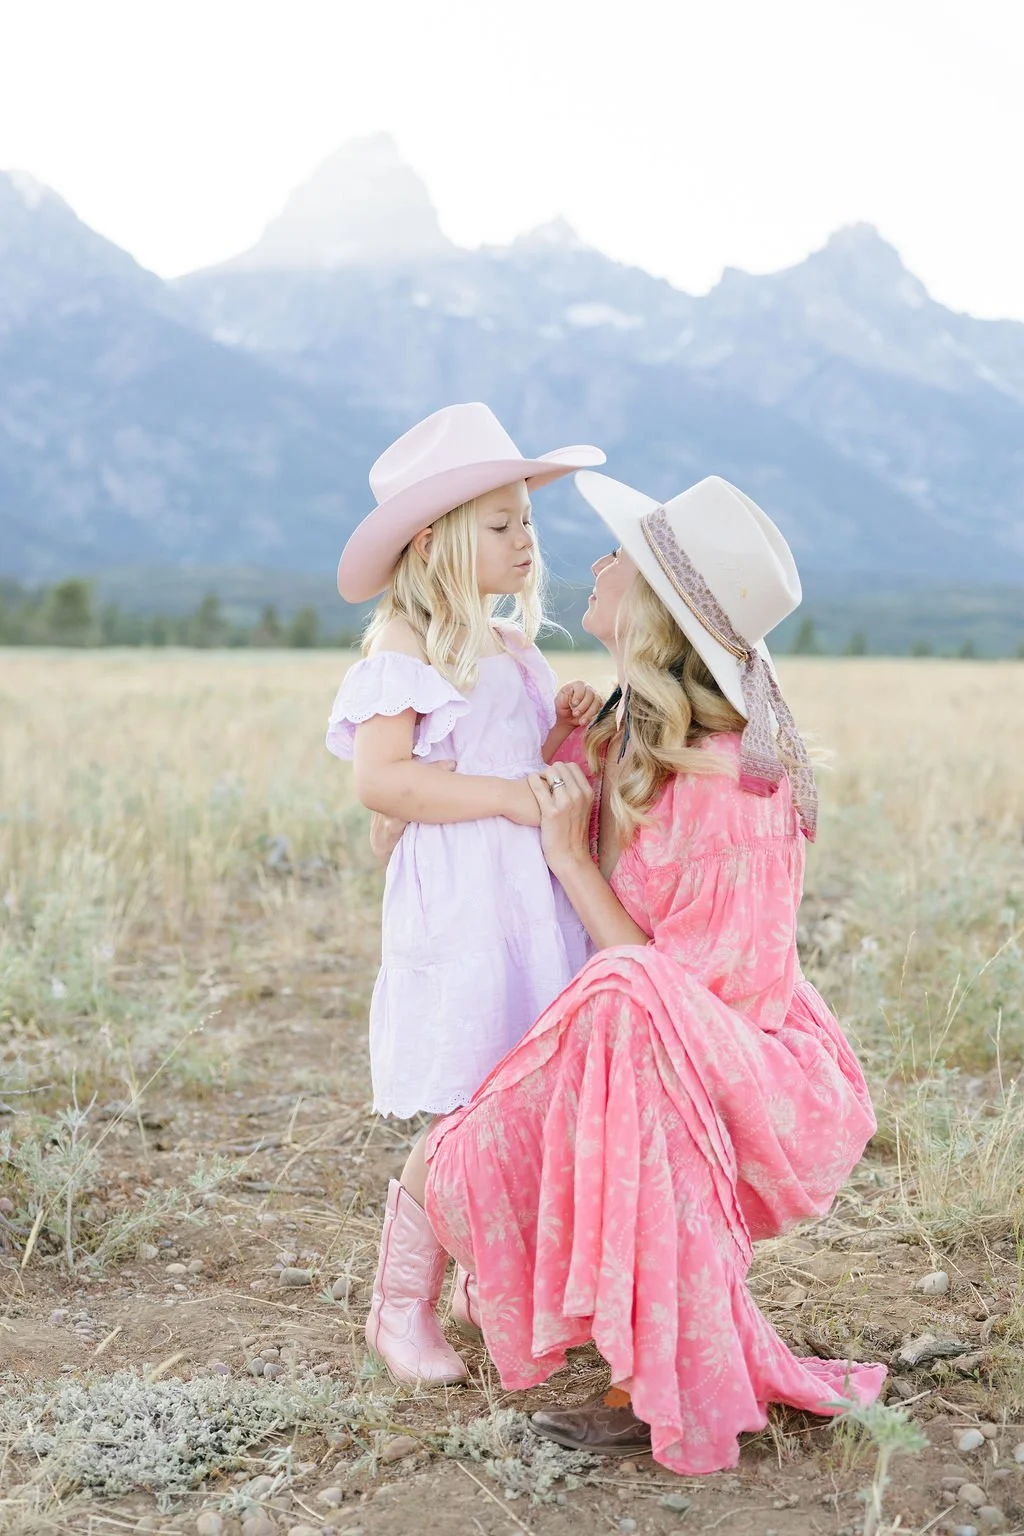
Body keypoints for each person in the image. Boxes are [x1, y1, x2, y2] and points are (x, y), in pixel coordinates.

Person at [422, 470, 887, 1473]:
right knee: (515, 1103)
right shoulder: (640, 734)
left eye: (620, 556)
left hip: (741, 1067)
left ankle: (654, 1374)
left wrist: (571, 855)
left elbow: (674, 998)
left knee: (626, 1008)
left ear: (660, 613)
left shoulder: (733, 794)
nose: (593, 560)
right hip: (659, 1044)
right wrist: (566, 748)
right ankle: (590, 1307)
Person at [326, 402, 606, 1387]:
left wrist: (563, 732)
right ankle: (396, 1305)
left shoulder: (512, 647)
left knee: (522, 1102)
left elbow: (516, 759)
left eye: (527, 519)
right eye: (499, 524)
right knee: (466, 1112)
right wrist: (507, 795)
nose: (525, 539)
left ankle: (483, 1283)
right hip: (465, 912)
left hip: (527, 904)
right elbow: (384, 782)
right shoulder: (404, 646)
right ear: (435, 542)